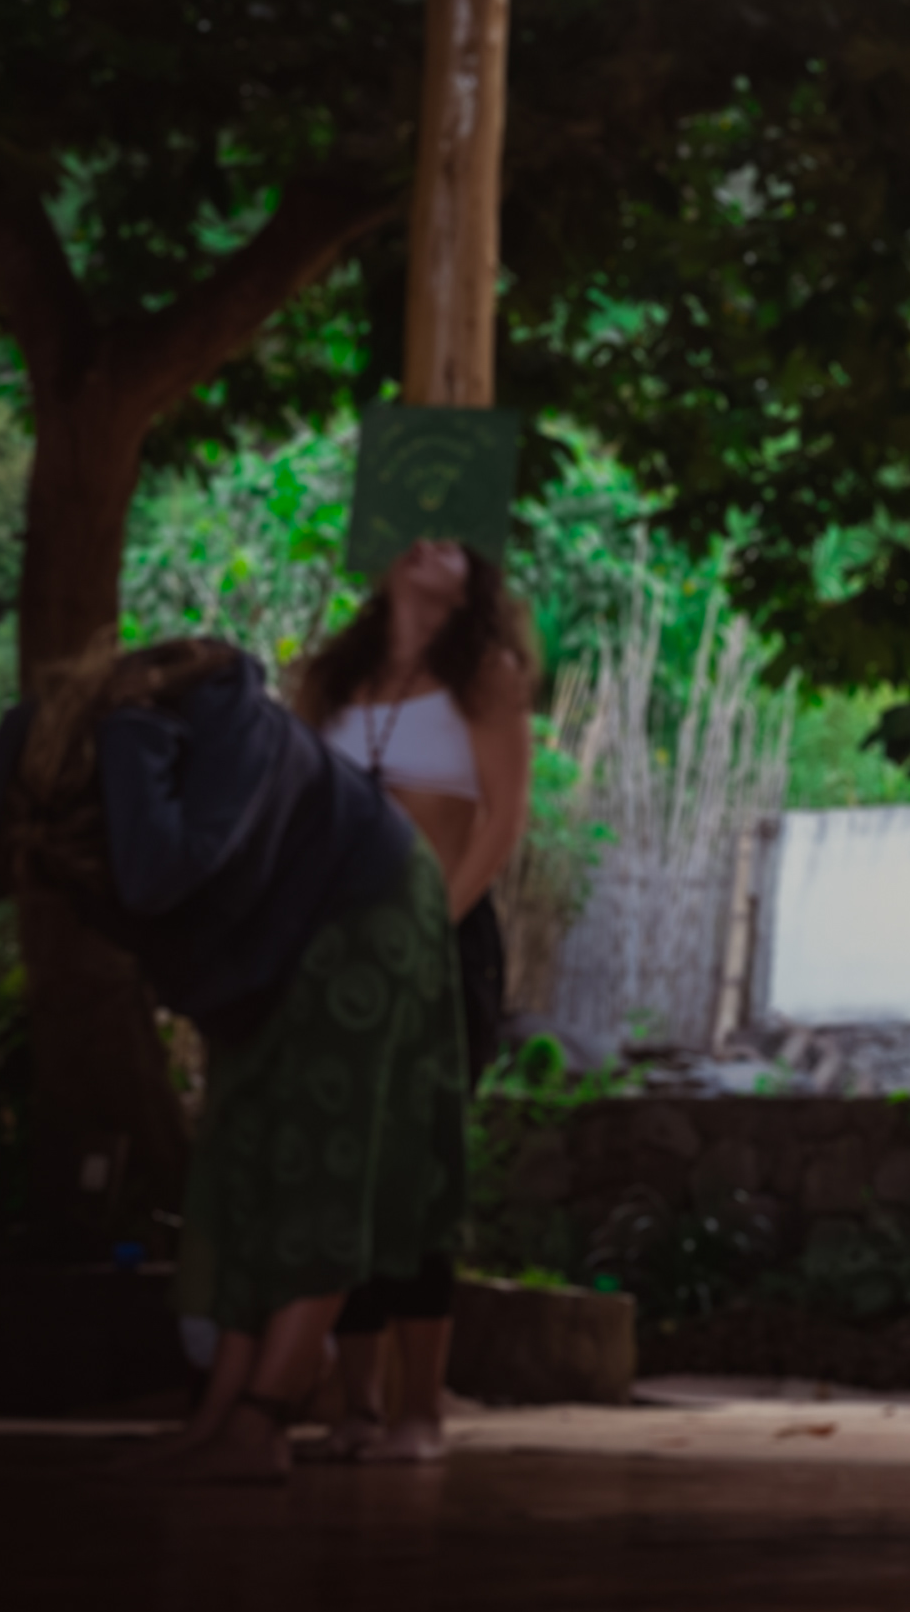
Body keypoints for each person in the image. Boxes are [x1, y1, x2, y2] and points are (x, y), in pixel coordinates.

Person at [0, 638, 467, 1484]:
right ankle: (221, 1410)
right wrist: (21, 731)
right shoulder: (63, 749)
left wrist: (130, 737)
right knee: (242, 1167)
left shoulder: (222, 724)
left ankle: (264, 1417)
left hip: (362, 913)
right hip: (256, 958)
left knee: (320, 1164)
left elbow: (158, 876)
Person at [287, 537, 537, 1464]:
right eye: (416, 528)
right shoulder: (331, 676)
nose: (434, 544)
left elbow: (505, 819)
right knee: (338, 1168)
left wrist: (433, 925)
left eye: (457, 535)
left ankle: (420, 1410)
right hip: (335, 945)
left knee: (414, 1169)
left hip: (439, 936)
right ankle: (356, 1402)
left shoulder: (488, 673)